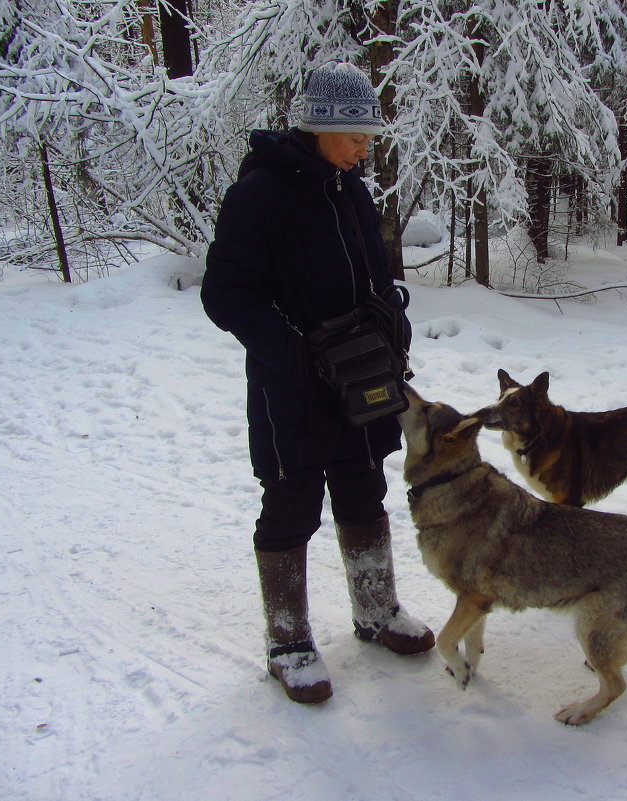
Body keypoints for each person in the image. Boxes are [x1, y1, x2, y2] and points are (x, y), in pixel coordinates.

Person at [200, 61, 434, 705]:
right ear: (321, 127)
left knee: (364, 490)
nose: (367, 147)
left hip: (362, 379)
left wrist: (390, 319)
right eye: (356, 135)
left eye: (369, 135)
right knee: (291, 505)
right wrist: (292, 352)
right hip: (293, 389)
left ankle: (376, 612)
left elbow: (373, 276)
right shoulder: (259, 195)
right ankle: (288, 642)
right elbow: (225, 293)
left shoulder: (349, 190)